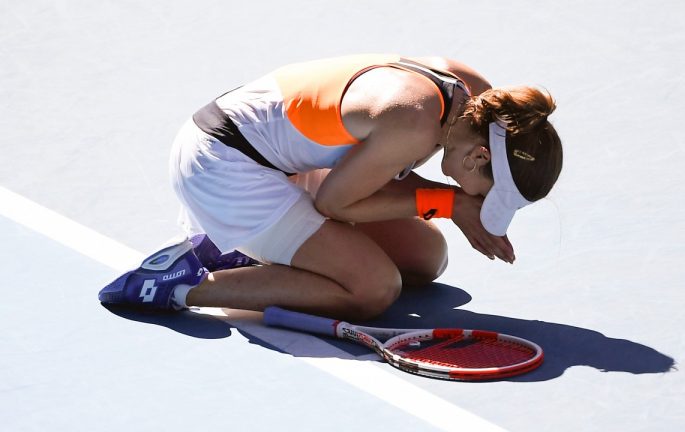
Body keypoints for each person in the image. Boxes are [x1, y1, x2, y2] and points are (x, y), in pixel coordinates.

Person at [98, 54, 563, 321]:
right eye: (487, 191)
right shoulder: (413, 122)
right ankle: (183, 284)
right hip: (224, 167)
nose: (481, 202)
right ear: (478, 156)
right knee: (373, 290)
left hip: (282, 159)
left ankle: (254, 251)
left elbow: (370, 174)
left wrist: (453, 204)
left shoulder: (470, 94)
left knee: (425, 259)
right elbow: (336, 203)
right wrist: (449, 202)